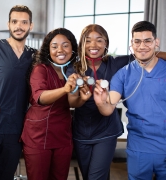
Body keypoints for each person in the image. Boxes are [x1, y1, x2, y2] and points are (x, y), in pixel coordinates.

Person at [66, 24, 166, 180]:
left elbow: (145, 54)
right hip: (83, 131)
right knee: (90, 176)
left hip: (106, 131)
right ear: (81, 43)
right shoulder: (74, 69)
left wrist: (157, 51)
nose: (93, 45)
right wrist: (86, 98)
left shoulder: (117, 64)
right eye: (88, 40)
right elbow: (72, 102)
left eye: (99, 40)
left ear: (106, 43)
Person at [21, 28, 78, 180]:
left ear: (73, 48)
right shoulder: (40, 69)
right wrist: (65, 89)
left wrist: (84, 97)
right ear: (48, 50)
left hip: (63, 136)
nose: (60, 50)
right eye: (54, 46)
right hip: (38, 136)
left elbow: (74, 103)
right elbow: (40, 97)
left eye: (65, 45)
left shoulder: (72, 71)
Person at [0, 5, 34, 180]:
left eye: (23, 22)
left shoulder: (33, 57)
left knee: (5, 176)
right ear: (8, 24)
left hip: (16, 130)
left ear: (31, 26)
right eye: (14, 21)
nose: (18, 26)